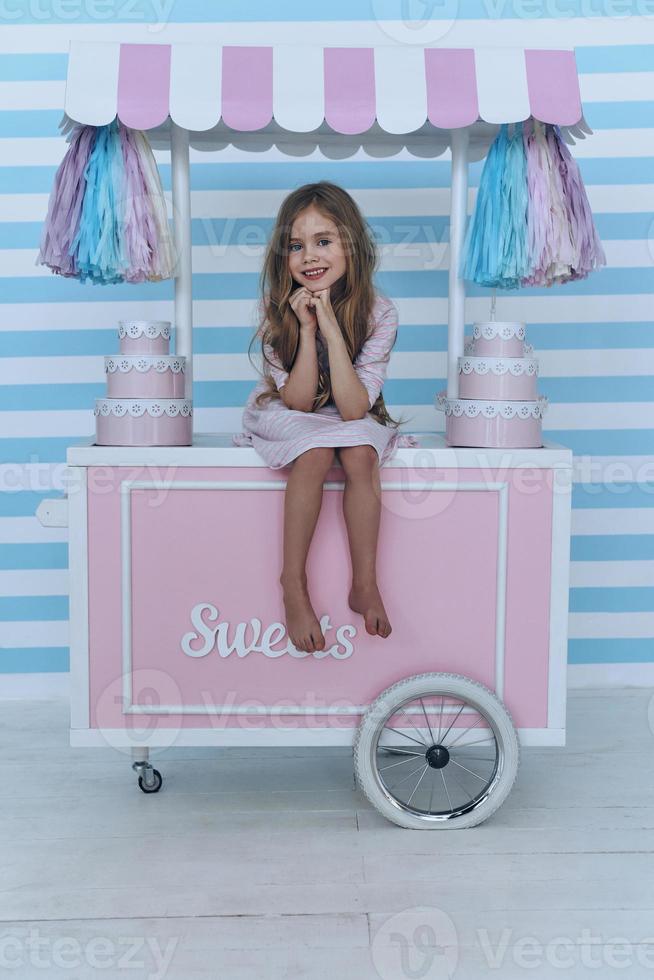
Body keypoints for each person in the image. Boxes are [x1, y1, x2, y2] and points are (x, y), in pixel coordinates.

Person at [232, 181, 418, 654]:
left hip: (350, 405)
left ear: (351, 246)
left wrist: (331, 327)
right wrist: (307, 325)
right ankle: (292, 584)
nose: (309, 256)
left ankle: (365, 582)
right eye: (296, 246)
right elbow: (297, 403)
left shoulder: (381, 312)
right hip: (285, 407)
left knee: (359, 451)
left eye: (324, 241)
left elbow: (354, 408)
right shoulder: (275, 309)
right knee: (313, 450)